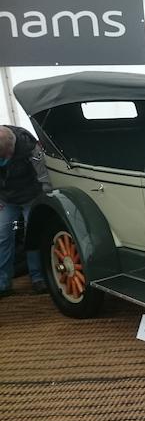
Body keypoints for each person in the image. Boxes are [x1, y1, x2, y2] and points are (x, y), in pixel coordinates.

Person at [0, 125, 52, 297]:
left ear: (13, 146)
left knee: (33, 236)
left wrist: (44, 203)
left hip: (32, 196)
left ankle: (38, 278)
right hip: (7, 199)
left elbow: (44, 177)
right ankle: (3, 283)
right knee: (2, 236)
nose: (4, 159)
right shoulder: (4, 148)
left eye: (6, 155)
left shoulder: (31, 148)